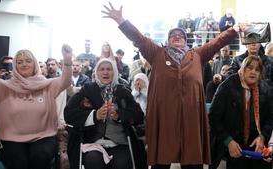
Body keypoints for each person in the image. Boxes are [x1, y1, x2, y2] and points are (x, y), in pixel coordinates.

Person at [102, 2, 244, 169]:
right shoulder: (156, 53)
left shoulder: (197, 55)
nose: (177, 36)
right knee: (161, 161)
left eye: (181, 35)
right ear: (167, 40)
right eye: (172, 35)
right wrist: (121, 21)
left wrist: (234, 29)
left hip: (191, 119)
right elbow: (138, 38)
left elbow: (217, 42)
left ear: (186, 40)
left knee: (192, 161)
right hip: (164, 118)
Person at [0, 44, 73, 169]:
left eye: (28, 61)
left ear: (35, 64)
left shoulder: (47, 85)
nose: (24, 64)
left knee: (40, 157)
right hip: (10, 139)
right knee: (19, 162)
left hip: (44, 137)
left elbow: (65, 81)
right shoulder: (4, 87)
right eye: (19, 62)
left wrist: (68, 61)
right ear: (15, 66)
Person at [64, 58, 146, 169]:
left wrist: (119, 115)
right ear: (96, 73)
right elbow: (69, 113)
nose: (105, 72)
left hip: (120, 143)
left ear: (115, 72)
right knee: (93, 160)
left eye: (109, 69)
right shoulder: (87, 90)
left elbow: (139, 115)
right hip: (93, 142)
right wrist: (94, 116)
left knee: (123, 162)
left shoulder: (123, 91)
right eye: (102, 69)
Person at [209, 56, 273, 169]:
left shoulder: (265, 89)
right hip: (233, 145)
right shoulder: (227, 86)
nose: (253, 72)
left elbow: (270, 118)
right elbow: (214, 118)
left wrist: (263, 137)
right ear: (242, 68)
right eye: (249, 68)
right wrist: (228, 141)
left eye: (257, 69)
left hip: (257, 146)